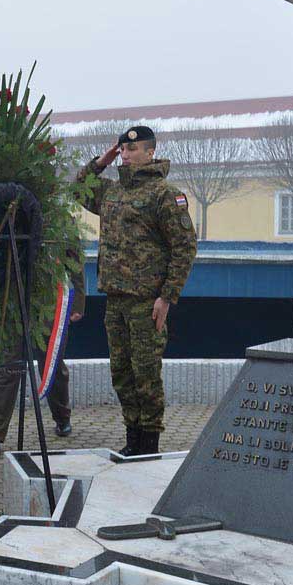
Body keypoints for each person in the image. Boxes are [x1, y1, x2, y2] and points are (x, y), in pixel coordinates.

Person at [75, 125, 197, 456]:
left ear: (150, 152)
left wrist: (167, 297)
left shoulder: (164, 195)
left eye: (132, 150)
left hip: (147, 302)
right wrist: (100, 163)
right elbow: (77, 188)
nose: (126, 155)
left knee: (146, 375)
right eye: (122, 150)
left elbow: (184, 248)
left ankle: (150, 444)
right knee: (122, 373)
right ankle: (132, 440)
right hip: (115, 300)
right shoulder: (111, 192)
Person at [0, 246, 87, 457]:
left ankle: (62, 416)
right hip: (13, 301)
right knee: (8, 368)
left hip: (49, 300)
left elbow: (73, 257)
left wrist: (78, 302)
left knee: (52, 364)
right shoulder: (9, 216)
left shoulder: (59, 216)